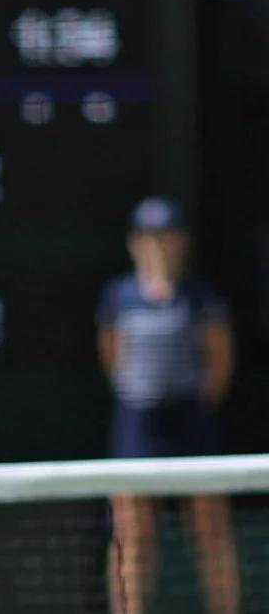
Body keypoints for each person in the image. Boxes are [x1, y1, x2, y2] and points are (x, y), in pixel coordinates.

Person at [97, 196, 240, 614]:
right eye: (148, 236)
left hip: (192, 424)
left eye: (167, 236)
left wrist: (192, 405)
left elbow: (220, 361)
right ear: (135, 243)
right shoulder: (118, 295)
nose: (157, 245)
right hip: (138, 427)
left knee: (211, 530)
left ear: (181, 242)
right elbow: (112, 356)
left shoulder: (201, 296)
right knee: (132, 535)